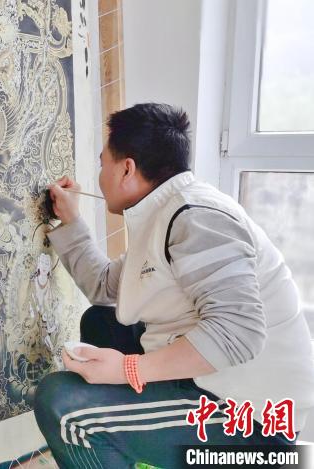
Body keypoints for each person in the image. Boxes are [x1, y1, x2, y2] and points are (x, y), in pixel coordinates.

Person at [34, 103, 314, 468]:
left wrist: (127, 369)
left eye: (103, 164)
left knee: (62, 404)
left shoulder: (198, 217)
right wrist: (71, 221)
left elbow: (240, 333)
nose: (100, 177)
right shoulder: (166, 213)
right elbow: (105, 286)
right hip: (217, 384)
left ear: (126, 169)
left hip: (256, 427)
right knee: (102, 323)